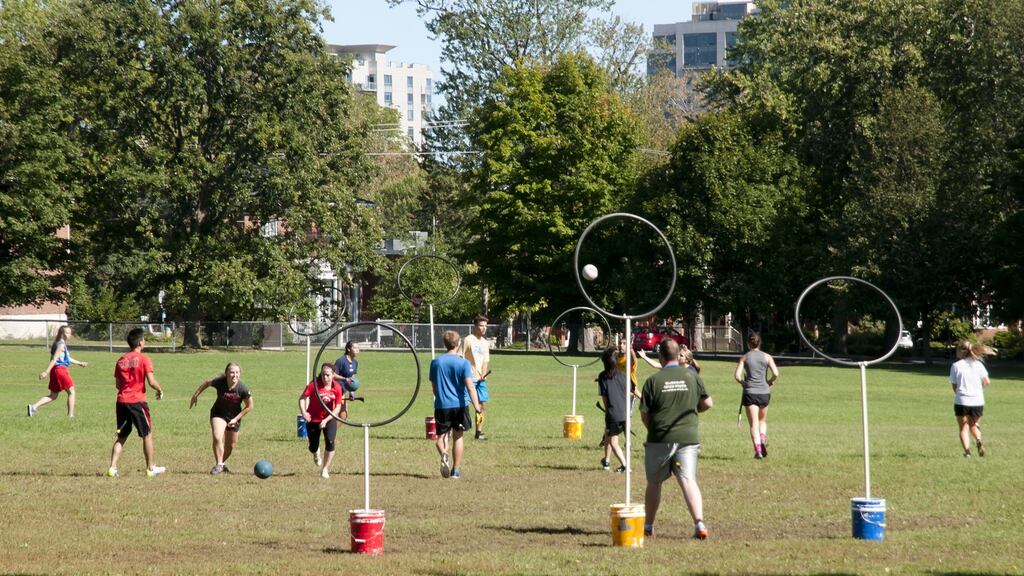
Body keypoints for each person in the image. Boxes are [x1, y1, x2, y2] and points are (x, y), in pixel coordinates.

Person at [640, 339, 713, 540]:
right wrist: (692, 410)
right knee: (688, 480)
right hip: (688, 437)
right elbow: (708, 403)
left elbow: (644, 415)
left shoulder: (653, 381)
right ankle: (699, 523)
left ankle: (648, 526)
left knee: (654, 482)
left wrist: (654, 429)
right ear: (676, 355)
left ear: (661, 357)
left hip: (659, 438)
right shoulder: (692, 376)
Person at [107, 328, 166, 478]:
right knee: (147, 434)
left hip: (121, 402)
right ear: (140, 342)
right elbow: (151, 382)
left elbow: (118, 385)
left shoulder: (121, 360)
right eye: (144, 339)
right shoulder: (144, 359)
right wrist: (160, 389)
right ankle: (150, 468)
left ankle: (112, 468)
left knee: (122, 436)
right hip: (137, 402)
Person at [432, 330, 482, 479]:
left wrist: (440, 396)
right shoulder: (464, 363)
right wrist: (477, 406)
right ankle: (456, 470)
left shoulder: (436, 362)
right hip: (459, 405)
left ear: (444, 344)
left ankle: (444, 454)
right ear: (458, 343)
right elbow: (470, 386)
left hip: (442, 405)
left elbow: (434, 387)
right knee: (458, 437)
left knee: (440, 438)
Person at [189, 363, 253, 474]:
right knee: (217, 437)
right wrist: (195, 395)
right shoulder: (220, 382)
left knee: (231, 445)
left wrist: (236, 419)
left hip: (234, 417)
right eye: (232, 372)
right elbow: (207, 383)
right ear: (227, 373)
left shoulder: (242, 388)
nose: (234, 375)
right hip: (218, 413)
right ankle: (219, 464)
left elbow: (250, 406)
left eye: (237, 373)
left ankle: (221, 464)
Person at [734, 333, 779, 460]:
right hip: (764, 392)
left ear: (748, 343)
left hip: (750, 392)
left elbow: (737, 376)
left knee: (753, 423)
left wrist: (743, 383)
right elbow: (776, 373)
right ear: (760, 343)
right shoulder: (767, 356)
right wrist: (769, 382)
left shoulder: (745, 357)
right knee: (762, 421)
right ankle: (763, 439)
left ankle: (758, 450)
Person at [299, 363, 347, 478]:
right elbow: (302, 398)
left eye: (328, 375)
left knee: (330, 442)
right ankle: (316, 452)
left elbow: (338, 407)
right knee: (313, 447)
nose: (325, 378)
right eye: (323, 375)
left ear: (333, 375)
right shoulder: (314, 385)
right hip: (313, 419)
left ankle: (325, 469)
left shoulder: (337, 388)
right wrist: (304, 412)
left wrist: (326, 420)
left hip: (329, 418)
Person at [29, 325, 88, 418]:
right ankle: (70, 415)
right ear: (61, 333)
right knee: (71, 391)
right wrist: (46, 371)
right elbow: (54, 360)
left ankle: (33, 407)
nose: (69, 335)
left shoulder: (60, 343)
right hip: (60, 370)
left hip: (56, 370)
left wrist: (79, 363)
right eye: (67, 333)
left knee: (53, 395)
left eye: (70, 333)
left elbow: (67, 358)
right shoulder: (60, 345)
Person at [950, 341, 996, 458]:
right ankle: (979, 439)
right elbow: (987, 381)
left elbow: (955, 386)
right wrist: (979, 391)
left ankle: (967, 453)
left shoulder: (956, 366)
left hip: (962, 400)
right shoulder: (978, 365)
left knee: (963, 427)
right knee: (973, 424)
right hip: (978, 400)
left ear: (961, 351)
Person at [596, 347, 627, 473]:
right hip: (624, 412)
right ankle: (606, 461)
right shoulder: (623, 375)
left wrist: (608, 411)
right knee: (609, 435)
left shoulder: (603, 376)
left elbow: (605, 399)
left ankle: (625, 465)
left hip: (613, 414)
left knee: (613, 442)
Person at [461, 315, 490, 440]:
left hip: (480, 379)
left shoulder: (485, 343)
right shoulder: (468, 340)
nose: (483, 328)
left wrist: (483, 374)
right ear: (475, 326)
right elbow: (460, 357)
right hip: (468, 378)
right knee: (464, 404)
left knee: (482, 405)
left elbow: (485, 361)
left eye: (485, 326)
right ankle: (459, 427)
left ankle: (479, 433)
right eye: (481, 326)